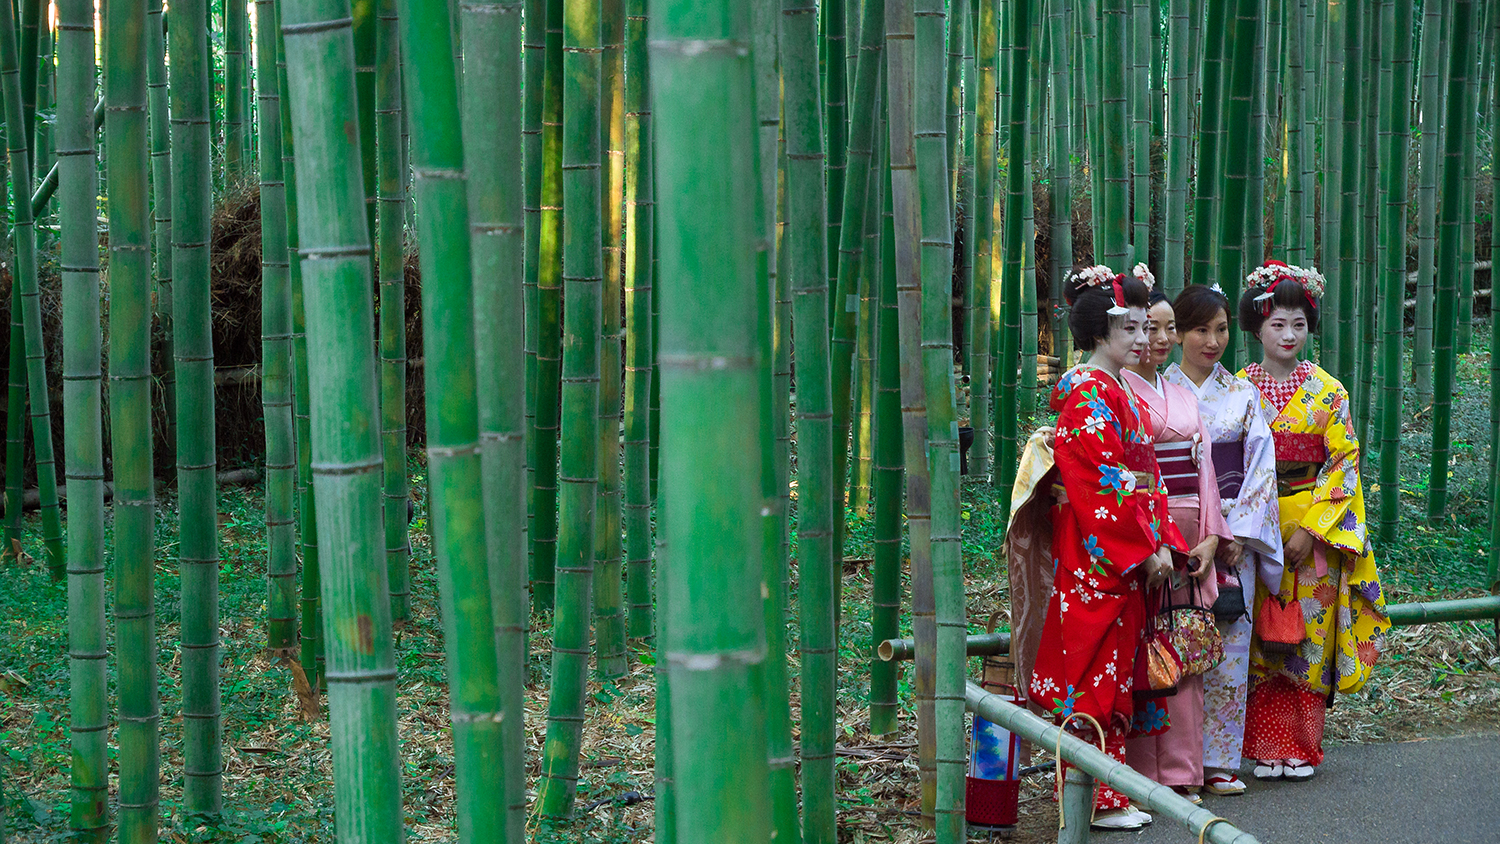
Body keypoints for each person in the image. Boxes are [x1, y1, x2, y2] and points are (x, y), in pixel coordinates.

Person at [1014, 265, 1190, 831]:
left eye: (1146, 327)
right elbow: (1098, 487)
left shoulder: (1115, 392)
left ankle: (1107, 791)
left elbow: (1145, 478)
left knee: (1115, 669)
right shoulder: (1088, 394)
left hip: (1119, 548)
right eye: (1130, 328)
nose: (1144, 339)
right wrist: (1144, 546)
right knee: (1093, 668)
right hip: (1096, 550)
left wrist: (1160, 538)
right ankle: (1092, 798)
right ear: (1096, 331)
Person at [1235, 260, 1389, 782]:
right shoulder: (1236, 388)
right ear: (1256, 326)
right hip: (1253, 527)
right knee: (1258, 635)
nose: (1288, 334)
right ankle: (1261, 745)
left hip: (1313, 530)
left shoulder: (1329, 391)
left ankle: (1300, 746)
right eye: (1278, 323)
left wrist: (1310, 530)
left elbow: (1343, 464)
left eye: (1298, 323)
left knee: (1308, 636)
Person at [1162, 284, 1285, 797]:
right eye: (1199, 330)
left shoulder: (1242, 394)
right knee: (1177, 649)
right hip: (1177, 536)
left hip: (1234, 539)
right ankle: (1177, 763)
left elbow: (1261, 468)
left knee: (1230, 650)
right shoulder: (1155, 390)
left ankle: (1218, 761)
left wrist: (1235, 532)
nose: (1212, 341)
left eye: (1220, 329)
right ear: (1176, 334)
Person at [1119, 273, 1233, 805]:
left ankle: (1185, 770)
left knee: (1185, 650)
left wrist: (1212, 535)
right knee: (1148, 650)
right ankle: (1143, 772)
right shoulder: (1119, 394)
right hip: (1152, 536)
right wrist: (1153, 540)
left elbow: (1204, 467)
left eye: (1167, 328)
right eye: (1150, 328)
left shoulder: (1178, 393)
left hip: (1192, 536)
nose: (1160, 339)